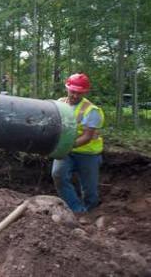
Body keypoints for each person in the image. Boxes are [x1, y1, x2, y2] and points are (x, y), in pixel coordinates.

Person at [52, 73, 105, 213]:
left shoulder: (91, 110)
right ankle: (76, 209)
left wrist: (65, 146)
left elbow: (87, 137)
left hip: (88, 154)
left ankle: (91, 212)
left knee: (89, 188)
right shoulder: (59, 104)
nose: (75, 95)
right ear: (67, 88)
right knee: (58, 175)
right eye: (72, 91)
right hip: (67, 152)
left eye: (79, 93)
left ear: (85, 92)